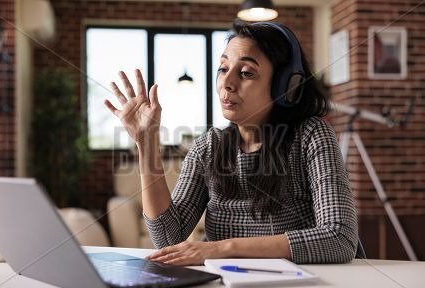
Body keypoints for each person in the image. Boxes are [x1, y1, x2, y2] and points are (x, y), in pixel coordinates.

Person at [104, 22, 358, 266]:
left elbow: (340, 238)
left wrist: (222, 248)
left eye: (246, 72)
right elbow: (168, 238)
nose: (227, 82)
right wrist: (146, 143)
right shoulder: (209, 146)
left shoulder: (311, 136)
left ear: (287, 86)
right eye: (223, 68)